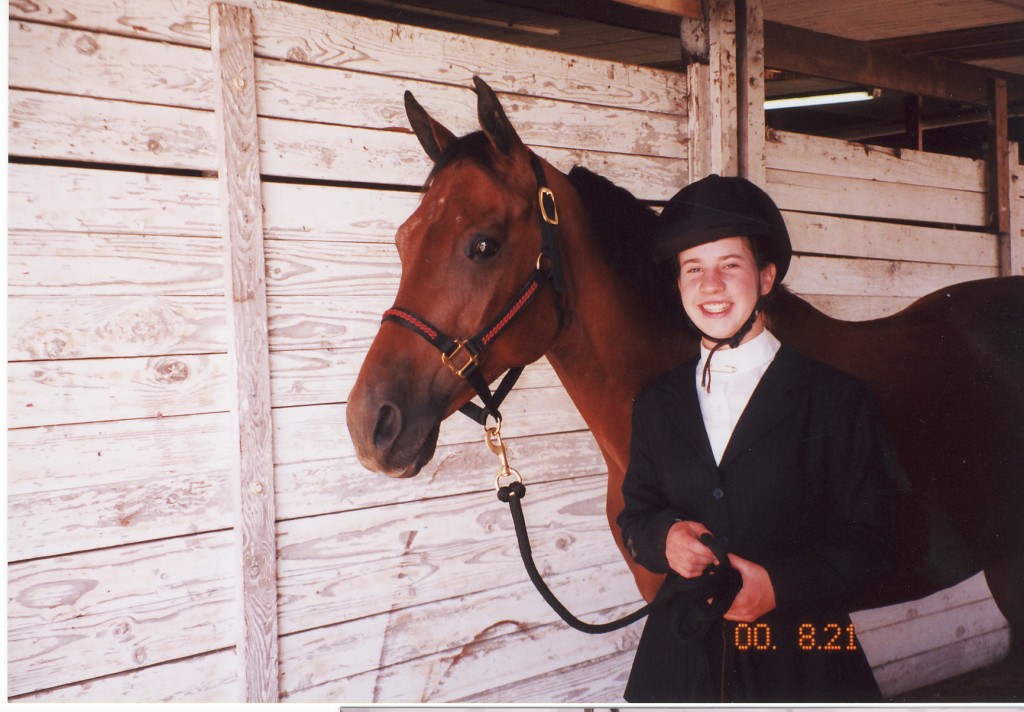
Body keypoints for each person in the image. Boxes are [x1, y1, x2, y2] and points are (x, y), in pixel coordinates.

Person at [617, 174, 898, 702]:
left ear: (766, 278)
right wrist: (664, 540)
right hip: (682, 654)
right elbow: (635, 515)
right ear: (678, 285)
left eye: (730, 264)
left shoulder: (837, 399)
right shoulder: (656, 404)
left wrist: (781, 585)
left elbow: (876, 543)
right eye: (693, 268)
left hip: (806, 652)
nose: (710, 284)